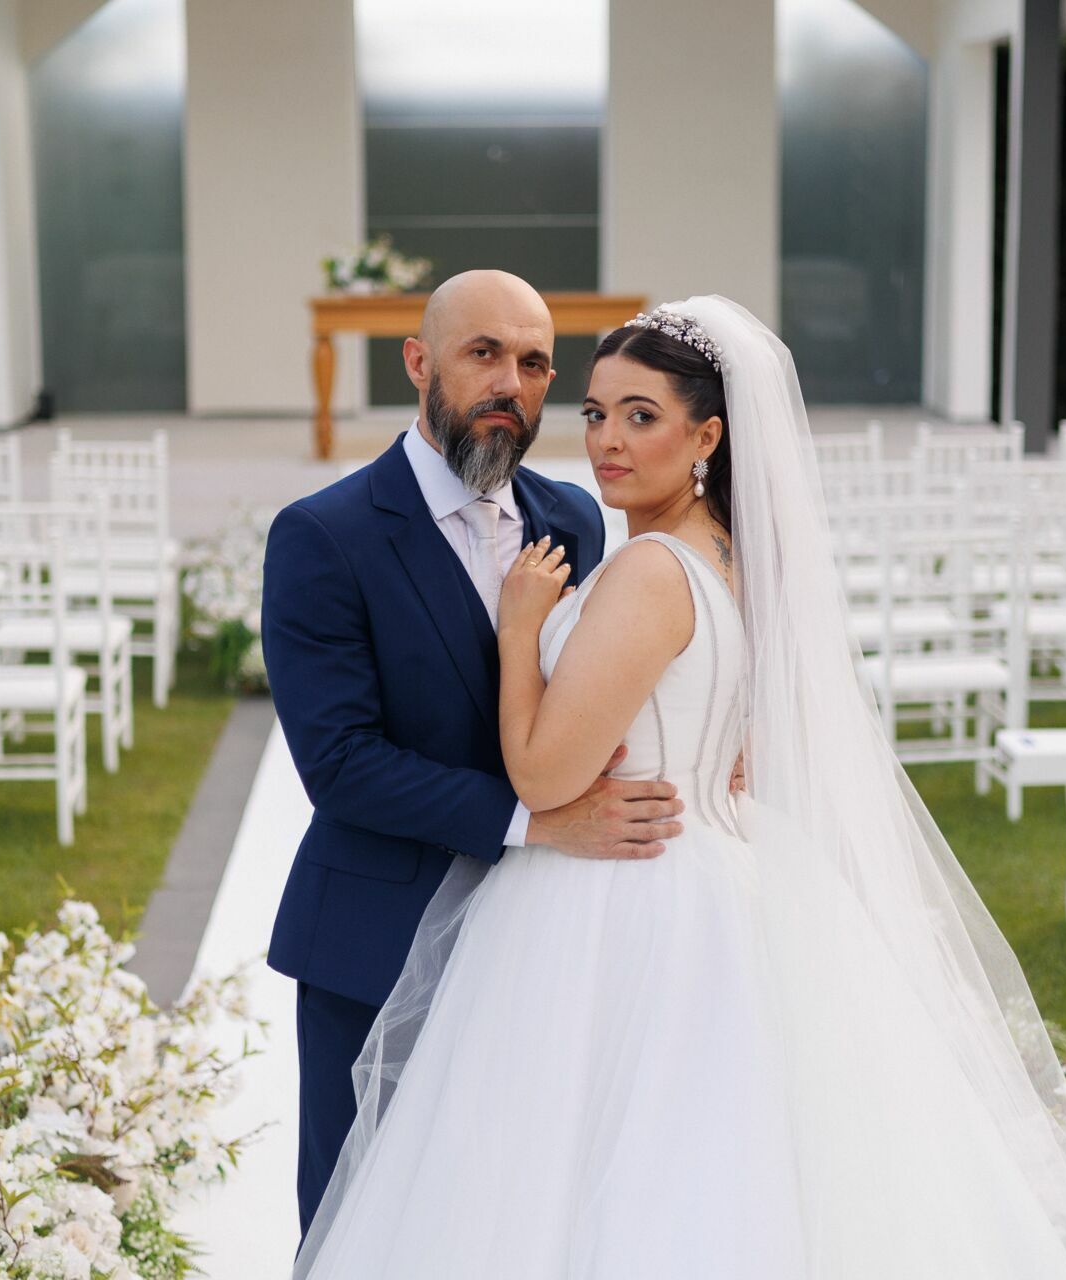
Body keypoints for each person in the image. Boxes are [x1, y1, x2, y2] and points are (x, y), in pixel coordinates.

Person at [289, 297, 1066, 1278]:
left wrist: (517, 635)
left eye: (638, 414)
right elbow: (344, 758)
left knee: (583, 1176)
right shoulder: (713, 551)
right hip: (689, 870)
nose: (605, 440)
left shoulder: (627, 553)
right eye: (595, 413)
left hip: (622, 888)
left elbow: (546, 768)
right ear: (420, 361)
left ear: (708, 433)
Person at [260, 269, 690, 1233]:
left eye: (534, 363)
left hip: (544, 943)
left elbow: (602, 688)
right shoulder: (322, 537)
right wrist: (538, 820)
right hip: (379, 936)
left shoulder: (573, 518)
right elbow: (339, 763)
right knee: (358, 1216)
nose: (511, 383)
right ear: (419, 363)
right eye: (483, 353)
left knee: (508, 1214)